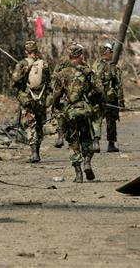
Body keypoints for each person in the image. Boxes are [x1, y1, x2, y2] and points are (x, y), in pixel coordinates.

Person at [51, 43, 103, 182]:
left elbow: (56, 95)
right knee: (87, 138)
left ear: (69, 57)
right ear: (81, 56)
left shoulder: (61, 74)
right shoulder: (88, 72)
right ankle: (87, 162)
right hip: (85, 110)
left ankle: (78, 174)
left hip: (69, 112)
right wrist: (91, 99)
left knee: (73, 141)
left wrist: (57, 106)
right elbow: (99, 90)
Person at [11, 40, 51, 163]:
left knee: (30, 124)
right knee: (39, 124)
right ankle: (37, 152)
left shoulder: (22, 64)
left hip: (28, 98)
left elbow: (15, 80)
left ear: (26, 51)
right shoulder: (44, 64)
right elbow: (49, 81)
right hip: (41, 99)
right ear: (36, 50)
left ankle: (34, 153)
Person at [91, 42, 124, 152]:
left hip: (96, 97)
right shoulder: (112, 66)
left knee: (96, 119)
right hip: (110, 98)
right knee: (111, 121)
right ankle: (111, 144)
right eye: (111, 52)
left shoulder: (93, 65)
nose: (112, 54)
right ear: (107, 53)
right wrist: (121, 100)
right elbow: (118, 84)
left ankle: (96, 143)